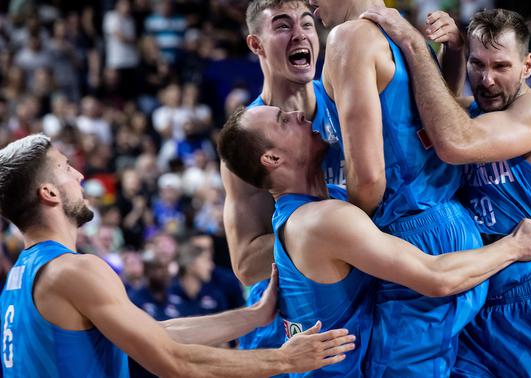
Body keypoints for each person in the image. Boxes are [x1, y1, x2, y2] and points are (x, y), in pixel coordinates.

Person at [217, 105, 531, 377]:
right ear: (273, 159)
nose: (295, 113)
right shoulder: (320, 221)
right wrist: (514, 246)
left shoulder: (321, 206)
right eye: (282, 120)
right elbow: (436, 278)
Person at [0, 134, 355, 377]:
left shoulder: (21, 278)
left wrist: (253, 316)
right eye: (65, 168)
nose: (79, 174)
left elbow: (155, 335)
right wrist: (284, 360)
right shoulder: (73, 271)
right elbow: (171, 362)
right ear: (48, 192)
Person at [360, 6, 531, 376]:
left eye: (501, 66)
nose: (486, 80)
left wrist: (414, 44)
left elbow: (454, 142)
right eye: (477, 65)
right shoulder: (473, 114)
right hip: (476, 300)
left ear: (527, 66)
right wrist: (452, 53)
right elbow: (437, 117)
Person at [301, 0, 480, 374]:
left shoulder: (348, 38)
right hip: (456, 229)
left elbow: (370, 178)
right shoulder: (406, 37)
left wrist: (342, 237)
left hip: (409, 238)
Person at [220, 0, 344, 355]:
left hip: (351, 288)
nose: (300, 34)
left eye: (307, 23)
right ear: (256, 44)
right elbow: (245, 264)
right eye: (283, 26)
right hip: (288, 313)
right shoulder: (248, 138)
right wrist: (324, 235)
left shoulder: (346, 102)